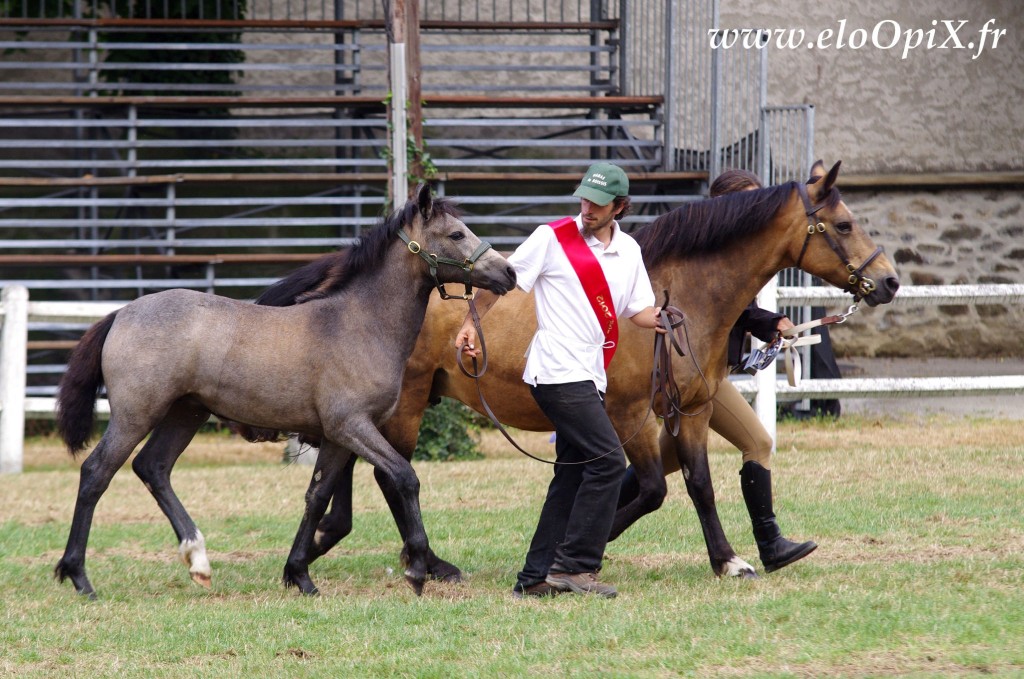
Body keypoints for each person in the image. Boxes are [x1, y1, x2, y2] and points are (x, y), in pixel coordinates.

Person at [456, 162, 664, 599]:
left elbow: (636, 310)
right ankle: (575, 567)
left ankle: (534, 579)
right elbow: (501, 281)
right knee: (608, 463)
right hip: (554, 370)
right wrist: (472, 324)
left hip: (590, 373)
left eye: (598, 203)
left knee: (571, 475)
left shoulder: (629, 252)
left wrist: (660, 319)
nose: (586, 208)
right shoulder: (551, 238)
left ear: (620, 207)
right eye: (584, 199)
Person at [708, 168, 817, 573]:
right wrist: (769, 322)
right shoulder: (715, 250)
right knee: (757, 441)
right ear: (726, 204)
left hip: (707, 372)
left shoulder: (733, 248)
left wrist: (774, 324)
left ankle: (590, 532)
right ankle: (770, 544)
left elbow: (743, 310)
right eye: (751, 202)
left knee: (658, 469)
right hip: (700, 376)